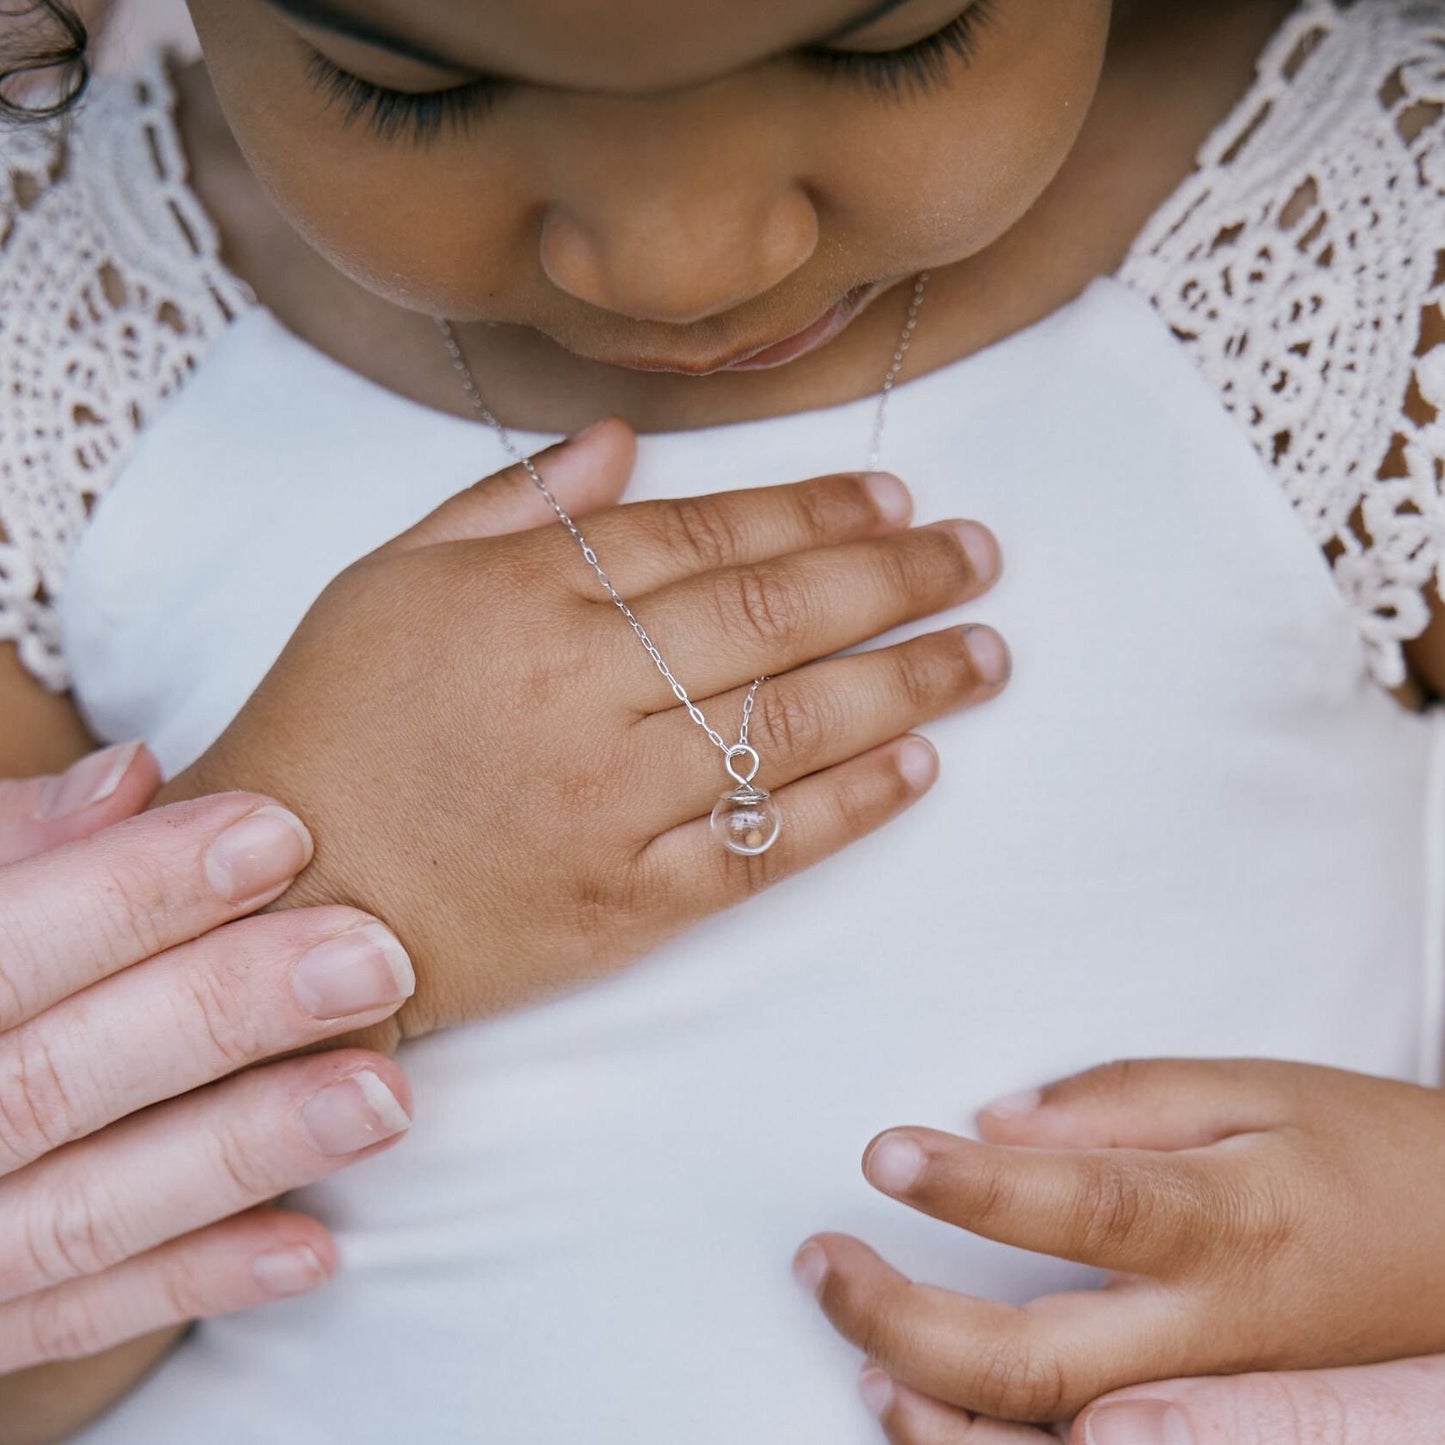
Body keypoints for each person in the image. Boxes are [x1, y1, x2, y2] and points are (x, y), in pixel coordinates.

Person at [0, 0, 1442, 1442]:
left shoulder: (1360, 232)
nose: (676, 261)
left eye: (891, 44)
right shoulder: (59, 319)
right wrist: (298, 896)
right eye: (413, 88)